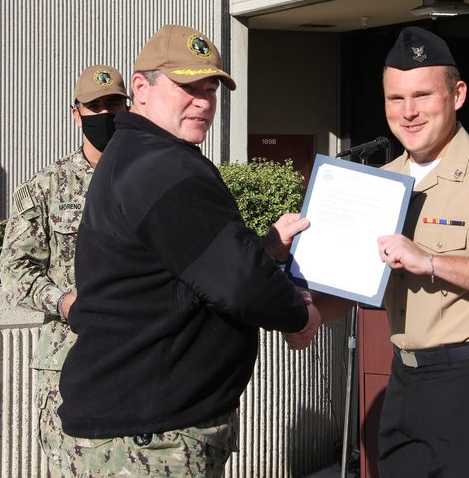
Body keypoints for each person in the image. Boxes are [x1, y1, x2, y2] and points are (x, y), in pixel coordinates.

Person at [293, 26, 469, 477]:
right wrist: (309, 311)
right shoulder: (380, 183)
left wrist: (431, 262)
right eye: (396, 99)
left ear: (457, 95)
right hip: (406, 380)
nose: (409, 112)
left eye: (422, 96)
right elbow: (354, 285)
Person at [58, 24, 320, 478]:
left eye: (211, 88)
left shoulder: (138, 153)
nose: (203, 101)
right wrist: (299, 316)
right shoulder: (162, 164)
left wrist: (267, 247)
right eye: (187, 87)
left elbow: (182, 267)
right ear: (140, 88)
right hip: (151, 440)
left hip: (142, 424)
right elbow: (239, 283)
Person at [0, 64, 129, 476]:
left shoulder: (150, 175)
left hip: (138, 355)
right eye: (95, 106)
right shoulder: (48, 185)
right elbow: (14, 268)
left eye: (114, 104)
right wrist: (63, 302)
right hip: (68, 358)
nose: (105, 114)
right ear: (76, 113)